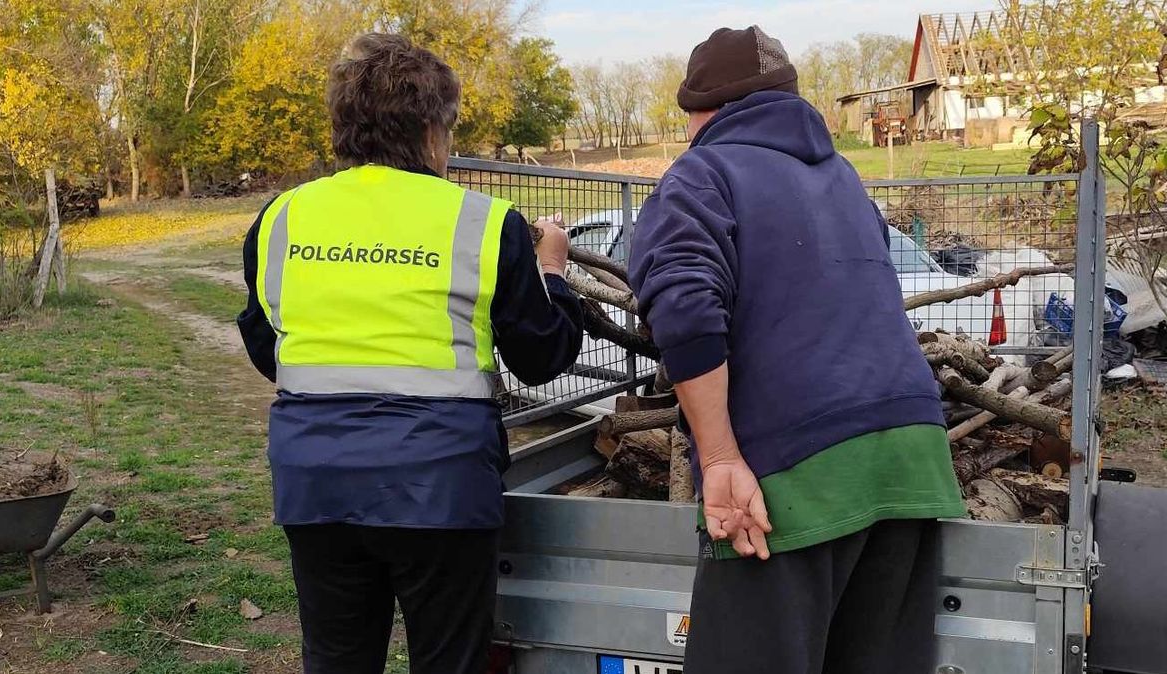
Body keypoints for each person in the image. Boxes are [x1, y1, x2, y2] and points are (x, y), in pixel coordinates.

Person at [236, 33, 583, 674]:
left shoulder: (281, 217)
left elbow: (267, 346)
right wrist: (553, 275)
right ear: (432, 130)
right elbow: (542, 357)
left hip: (317, 483)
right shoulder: (482, 221)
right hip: (441, 487)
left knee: (337, 658)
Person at [628, 26, 966, 674]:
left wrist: (721, 456)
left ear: (706, 110)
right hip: (910, 461)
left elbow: (685, 308)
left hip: (794, 476)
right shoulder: (843, 176)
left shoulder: (701, 173)